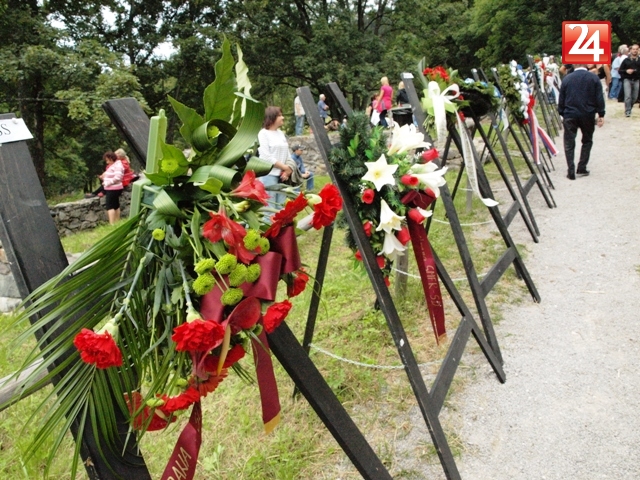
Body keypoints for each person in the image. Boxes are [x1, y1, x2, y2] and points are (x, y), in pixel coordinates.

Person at [557, 65, 605, 180]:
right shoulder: (593, 78)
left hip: (570, 113)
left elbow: (561, 98)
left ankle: (571, 169)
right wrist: (601, 114)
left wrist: (562, 112)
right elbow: (599, 97)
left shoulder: (567, 78)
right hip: (587, 114)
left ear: (574, 65)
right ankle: (582, 166)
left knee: (569, 142)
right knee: (587, 140)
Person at [257, 106, 294, 210]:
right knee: (269, 210)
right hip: (268, 176)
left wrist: (287, 171)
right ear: (272, 117)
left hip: (282, 177)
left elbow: (287, 154)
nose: (283, 117)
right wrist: (285, 168)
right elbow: (266, 157)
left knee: (281, 209)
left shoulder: (281, 133)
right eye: (279, 115)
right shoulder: (263, 133)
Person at [101, 151, 125, 224]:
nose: (107, 162)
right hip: (114, 188)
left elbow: (118, 177)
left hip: (113, 189)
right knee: (116, 205)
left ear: (111, 158)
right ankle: (117, 222)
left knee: (110, 207)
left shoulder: (117, 166)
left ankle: (112, 223)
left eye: (107, 160)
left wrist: (107, 183)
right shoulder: (115, 165)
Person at [619, 44, 640, 117]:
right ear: (630, 50)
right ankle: (627, 111)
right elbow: (620, 70)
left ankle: (629, 107)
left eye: (636, 49)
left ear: (638, 50)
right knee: (628, 96)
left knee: (635, 97)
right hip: (627, 79)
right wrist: (626, 71)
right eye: (633, 49)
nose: (635, 51)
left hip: (637, 79)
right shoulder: (626, 60)